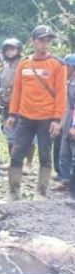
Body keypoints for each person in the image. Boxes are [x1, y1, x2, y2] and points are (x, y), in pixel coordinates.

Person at [6, 25, 67, 201]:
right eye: (41, 39)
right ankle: (13, 191)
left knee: (45, 155)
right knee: (17, 153)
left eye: (48, 40)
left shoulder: (57, 64)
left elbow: (61, 94)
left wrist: (57, 119)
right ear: (33, 41)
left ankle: (41, 192)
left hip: (47, 118)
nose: (44, 43)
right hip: (25, 117)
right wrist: (12, 114)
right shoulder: (24, 63)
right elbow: (17, 90)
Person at [0, 38, 36, 171]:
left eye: (12, 48)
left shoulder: (25, 63)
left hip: (23, 105)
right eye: (7, 49)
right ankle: (13, 161)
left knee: (28, 135)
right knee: (10, 135)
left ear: (18, 50)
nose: (9, 51)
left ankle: (29, 163)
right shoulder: (5, 65)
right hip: (7, 104)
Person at [57, 54, 75, 191]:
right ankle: (65, 180)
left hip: (73, 124)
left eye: (65, 68)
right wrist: (61, 124)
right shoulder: (69, 84)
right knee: (64, 154)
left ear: (71, 68)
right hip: (67, 122)